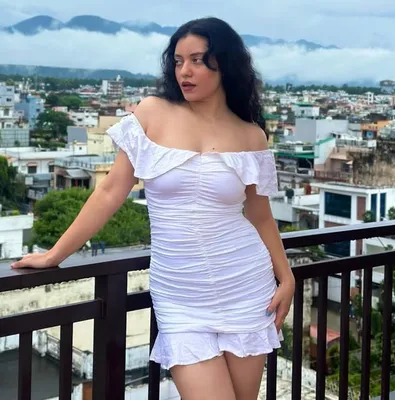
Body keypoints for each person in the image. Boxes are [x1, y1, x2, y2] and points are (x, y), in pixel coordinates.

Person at [11, 17, 295, 400]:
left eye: (197, 60)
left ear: (225, 64)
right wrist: (55, 255)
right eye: (178, 61)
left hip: (246, 286)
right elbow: (110, 191)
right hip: (180, 294)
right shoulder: (152, 113)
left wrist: (286, 277)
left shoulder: (251, 135)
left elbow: (260, 215)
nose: (185, 71)